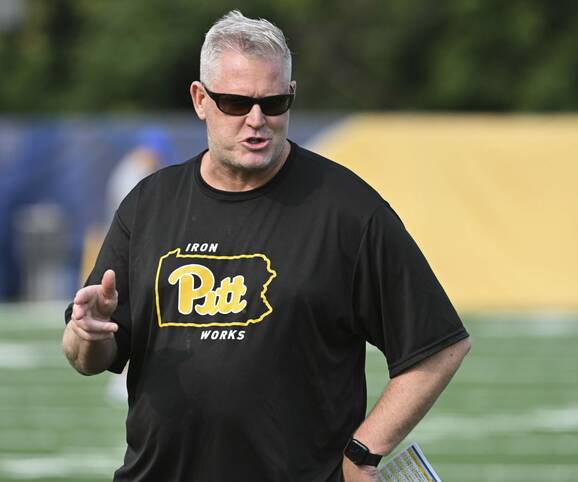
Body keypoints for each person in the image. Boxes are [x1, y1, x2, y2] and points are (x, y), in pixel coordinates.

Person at [62, 10, 470, 482]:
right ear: (201, 99)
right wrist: (87, 334)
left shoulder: (349, 210)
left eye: (273, 102)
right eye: (235, 103)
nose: (256, 120)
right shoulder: (148, 204)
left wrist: (364, 450)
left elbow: (439, 346)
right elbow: (88, 359)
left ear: (291, 96)